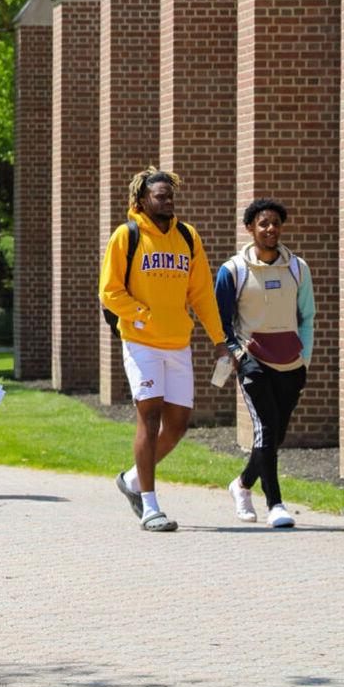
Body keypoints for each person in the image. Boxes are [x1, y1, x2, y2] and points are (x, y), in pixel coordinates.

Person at [99, 167, 231, 532]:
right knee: (150, 416)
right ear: (142, 199)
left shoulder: (187, 237)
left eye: (171, 195)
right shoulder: (126, 236)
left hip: (178, 343)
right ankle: (150, 506)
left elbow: (202, 294)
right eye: (161, 195)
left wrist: (220, 341)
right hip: (141, 342)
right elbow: (109, 292)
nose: (168, 201)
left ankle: (131, 480)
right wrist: (142, 315)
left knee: (177, 425)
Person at [216, 199, 314, 530]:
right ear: (250, 228)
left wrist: (305, 358)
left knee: (277, 434)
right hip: (253, 359)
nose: (270, 229)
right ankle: (275, 504)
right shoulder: (233, 271)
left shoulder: (298, 268)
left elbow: (307, 317)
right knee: (267, 430)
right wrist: (238, 355)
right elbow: (221, 321)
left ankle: (242, 485)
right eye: (263, 223)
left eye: (275, 223)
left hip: (290, 362)